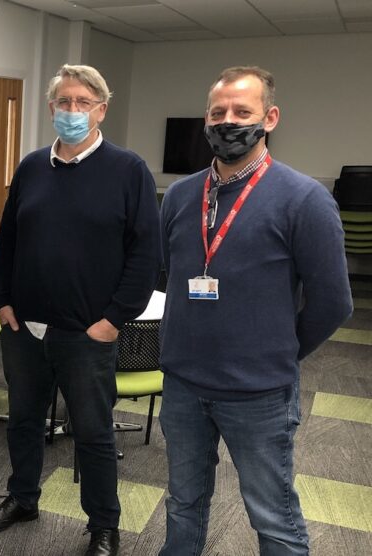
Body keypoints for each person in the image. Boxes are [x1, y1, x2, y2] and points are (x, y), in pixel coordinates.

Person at [158, 66, 353, 556]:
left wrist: (278, 350)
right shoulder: (181, 196)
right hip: (183, 384)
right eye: (219, 112)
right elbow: (170, 276)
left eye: (242, 112)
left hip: (258, 393)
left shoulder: (304, 199)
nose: (228, 122)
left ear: (270, 118)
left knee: (273, 517)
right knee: (183, 504)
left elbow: (333, 303)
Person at [0, 64, 160, 556]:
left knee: (93, 433)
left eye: (83, 103)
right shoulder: (32, 166)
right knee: (23, 421)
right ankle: (22, 498)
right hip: (25, 328)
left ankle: (104, 524)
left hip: (87, 333)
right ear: (51, 107)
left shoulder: (129, 170)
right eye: (64, 102)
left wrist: (112, 320)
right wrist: (6, 301)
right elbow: (7, 240)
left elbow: (146, 256)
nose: (72, 111)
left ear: (102, 109)